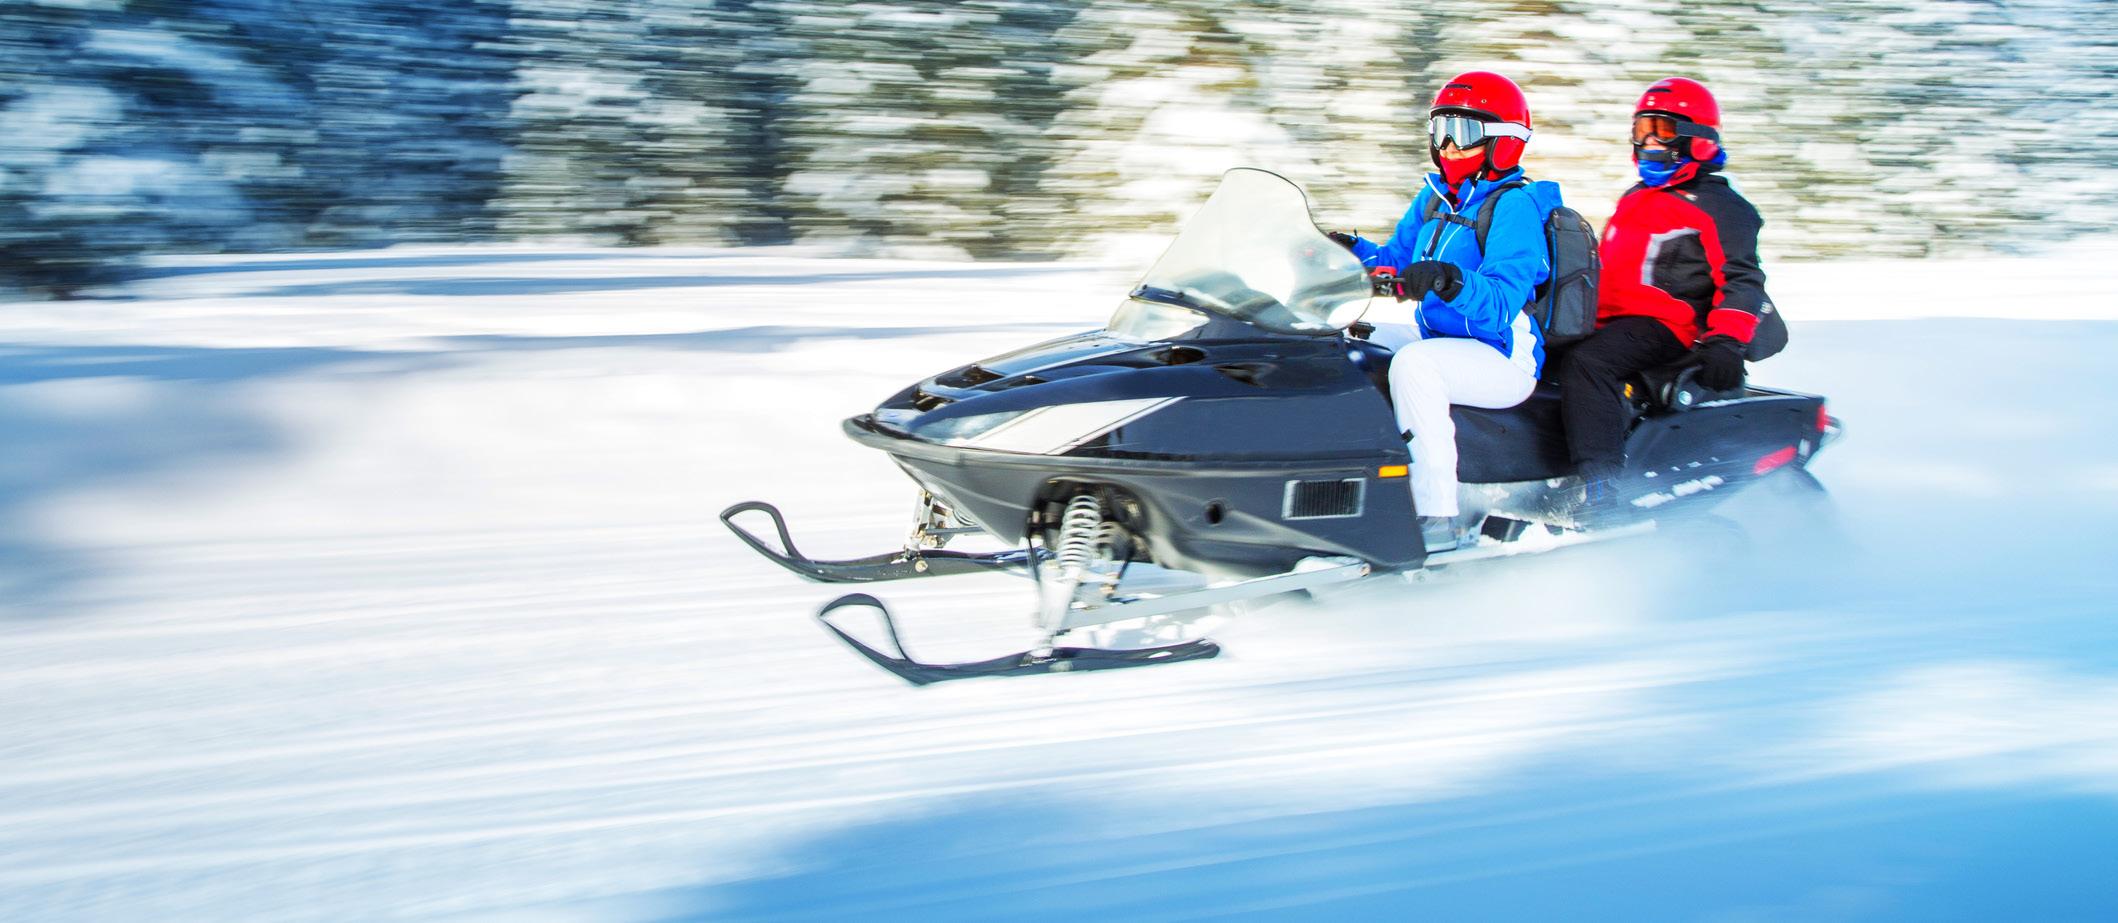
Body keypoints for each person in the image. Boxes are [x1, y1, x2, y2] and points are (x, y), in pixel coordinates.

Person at [1330, 71, 1551, 552]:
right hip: (1442, 339)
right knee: (1346, 339)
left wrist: (1449, 280)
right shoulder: (1435, 198)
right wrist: (1345, 249)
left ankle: (1435, 515)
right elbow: (1395, 260)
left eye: (1463, 132)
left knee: (1414, 366)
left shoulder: (1514, 207)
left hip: (1502, 355)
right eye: (1441, 129)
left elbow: (1501, 303)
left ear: (1503, 142)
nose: (1448, 145)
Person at [1557, 77, 1775, 503]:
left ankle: (1601, 486)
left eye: (1663, 130)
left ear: (1697, 137)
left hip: (1667, 326)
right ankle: (1542, 467)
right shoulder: (1638, 195)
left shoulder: (1721, 206)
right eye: (1642, 130)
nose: (1650, 141)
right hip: (1609, 320)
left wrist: (1727, 341)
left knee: (1589, 364)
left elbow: (1742, 278)